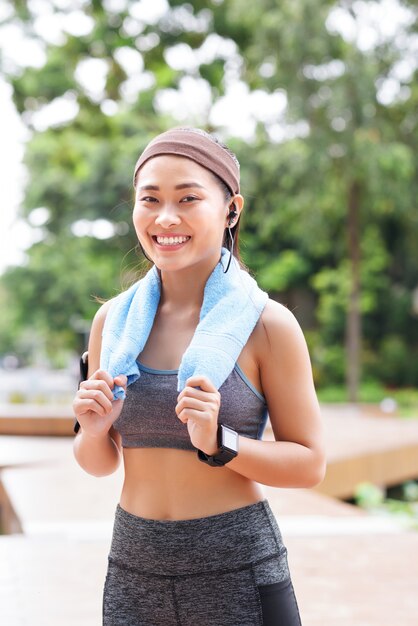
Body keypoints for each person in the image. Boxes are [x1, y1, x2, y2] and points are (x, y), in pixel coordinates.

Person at [73, 127, 326, 626]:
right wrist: (95, 429)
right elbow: (97, 462)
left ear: (231, 209)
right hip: (133, 567)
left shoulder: (267, 325)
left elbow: (310, 463)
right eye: (150, 199)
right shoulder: (114, 323)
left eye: (188, 198)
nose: (166, 217)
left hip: (236, 567)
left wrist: (220, 442)